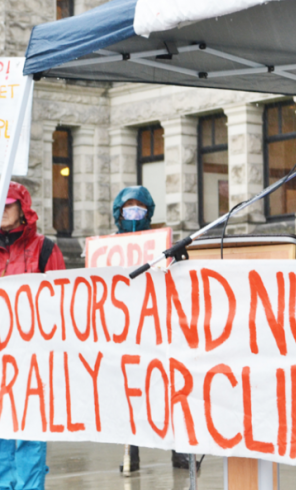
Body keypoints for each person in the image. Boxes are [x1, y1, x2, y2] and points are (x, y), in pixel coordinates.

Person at [112, 186, 191, 472]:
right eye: (129, 207)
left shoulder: (162, 244)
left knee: (167, 386)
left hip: (157, 326)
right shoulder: (107, 248)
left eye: (140, 207)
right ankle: (130, 453)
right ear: (119, 213)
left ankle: (179, 450)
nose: (134, 212)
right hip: (125, 329)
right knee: (129, 391)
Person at [0, 181, 66, 490]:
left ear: (22, 210)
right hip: (1, 361)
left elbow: (64, 303)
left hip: (32, 361)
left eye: (8, 203)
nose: (2, 208)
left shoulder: (46, 249)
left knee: (29, 436)